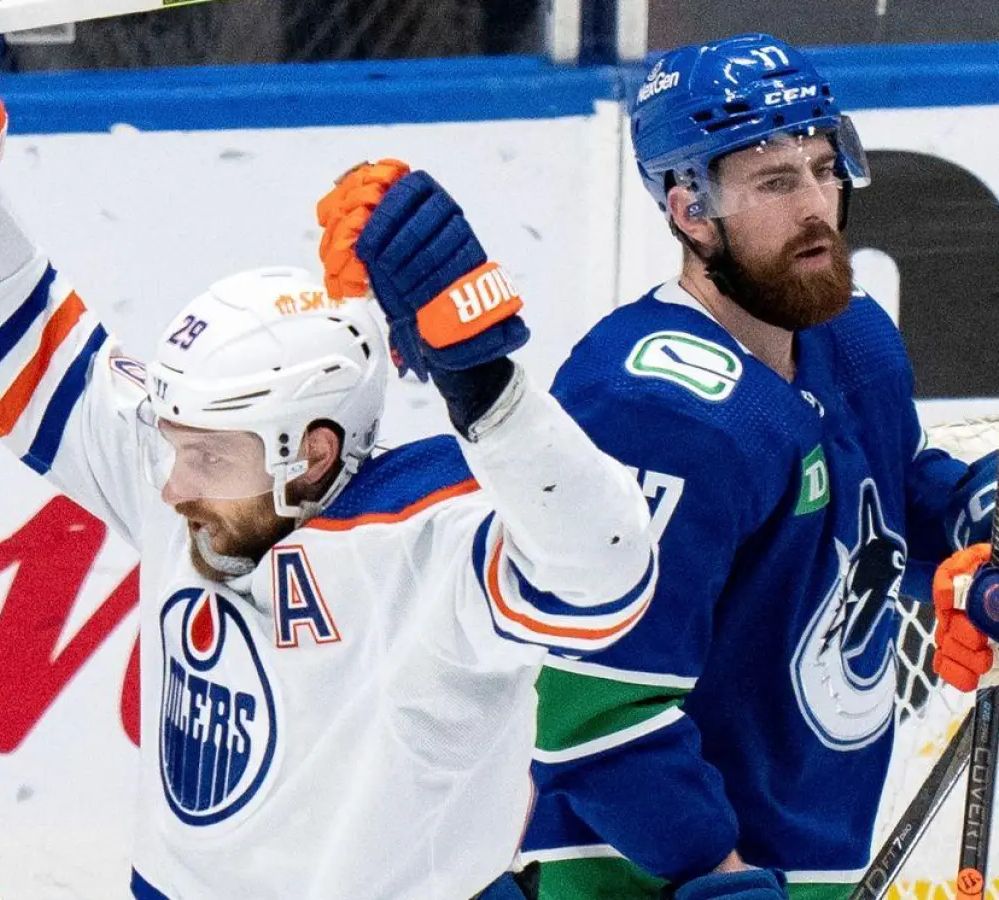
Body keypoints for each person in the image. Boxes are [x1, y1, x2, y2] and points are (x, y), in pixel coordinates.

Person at [0, 2, 658, 897]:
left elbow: (606, 576)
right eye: (175, 443)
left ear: (311, 454)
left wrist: (484, 381)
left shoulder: (437, 536)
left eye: (208, 459)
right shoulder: (185, 465)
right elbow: (3, 337)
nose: (172, 484)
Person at [329, 33, 997, 899]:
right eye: (775, 181)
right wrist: (714, 876)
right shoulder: (654, 407)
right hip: (636, 875)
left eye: (825, 168)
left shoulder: (848, 335)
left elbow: (882, 498)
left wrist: (973, 524)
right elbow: (591, 707)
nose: (818, 207)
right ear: (688, 207)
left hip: (803, 850)